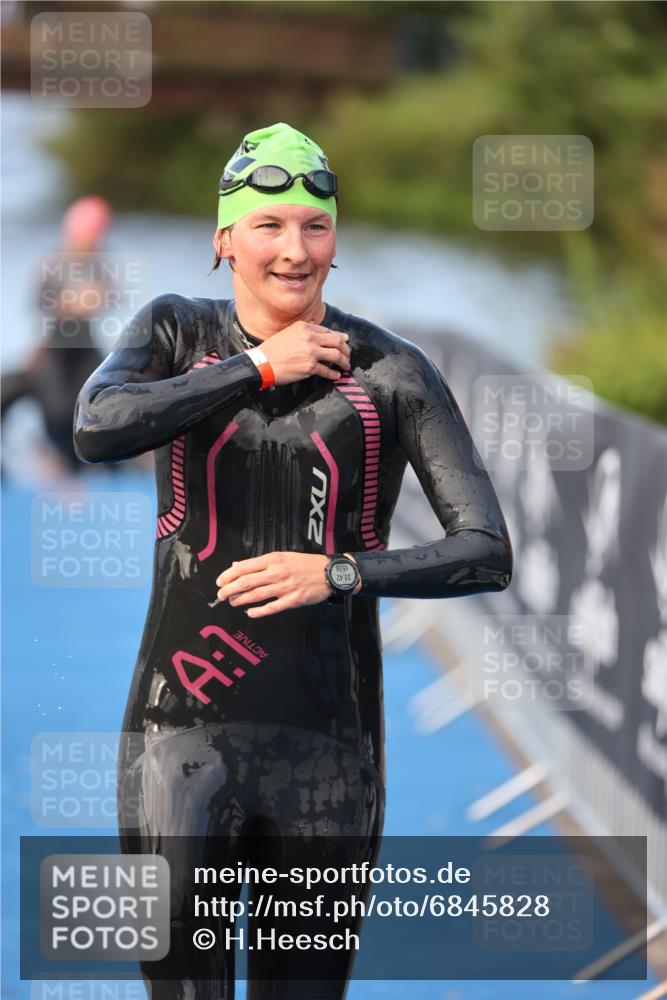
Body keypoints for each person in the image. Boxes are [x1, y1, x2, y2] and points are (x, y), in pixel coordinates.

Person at [73, 123, 513, 999]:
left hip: (330, 755)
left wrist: (340, 573)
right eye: (268, 226)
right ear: (224, 238)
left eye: (314, 227)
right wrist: (255, 369)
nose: (293, 250)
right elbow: (96, 426)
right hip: (176, 737)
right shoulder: (174, 330)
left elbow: (484, 550)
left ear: (335, 241)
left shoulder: (391, 371)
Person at [1, 195, 113, 477]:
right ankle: (49, 457)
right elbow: (43, 306)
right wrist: (71, 304)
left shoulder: (99, 264)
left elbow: (108, 296)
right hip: (56, 346)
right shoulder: (52, 263)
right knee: (58, 410)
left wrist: (90, 299)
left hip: (85, 347)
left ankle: (89, 466)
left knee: (102, 403)